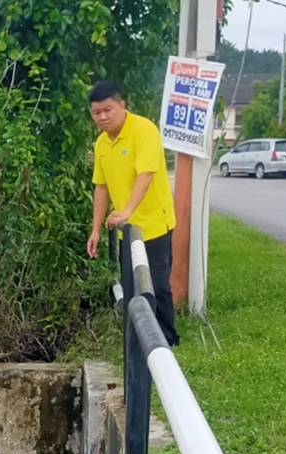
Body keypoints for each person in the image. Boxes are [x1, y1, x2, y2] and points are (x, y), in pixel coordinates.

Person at [86, 80, 179, 347]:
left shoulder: (143, 130)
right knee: (132, 287)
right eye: (96, 112)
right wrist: (95, 230)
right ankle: (138, 341)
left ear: (122, 105)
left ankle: (167, 342)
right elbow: (101, 187)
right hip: (125, 230)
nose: (102, 117)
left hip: (154, 224)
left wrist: (126, 210)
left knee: (157, 286)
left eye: (108, 110)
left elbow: (146, 174)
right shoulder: (102, 144)